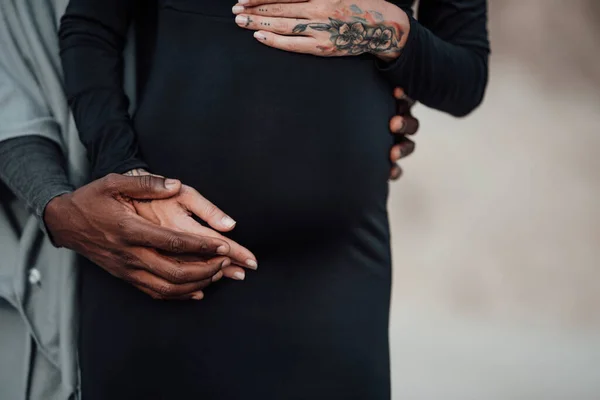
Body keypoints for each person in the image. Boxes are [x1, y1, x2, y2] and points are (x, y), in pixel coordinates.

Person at [59, 0, 488, 398]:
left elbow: (465, 79)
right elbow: (91, 28)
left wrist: (389, 30)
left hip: (333, 279)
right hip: (166, 254)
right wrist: (125, 174)